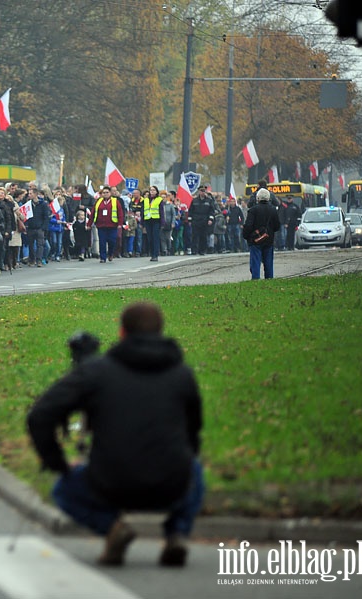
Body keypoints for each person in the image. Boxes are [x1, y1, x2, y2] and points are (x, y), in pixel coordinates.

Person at [27, 302, 204, 567]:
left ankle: (112, 527)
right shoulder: (182, 374)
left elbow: (40, 414)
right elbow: (193, 431)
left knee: (63, 489)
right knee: (195, 470)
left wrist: (56, 462)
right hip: (172, 484)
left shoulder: (97, 372)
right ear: (161, 331)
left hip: (110, 483)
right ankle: (177, 532)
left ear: (122, 333)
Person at [242, 188, 280, 280]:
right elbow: (277, 226)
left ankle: (255, 279)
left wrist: (246, 236)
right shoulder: (273, 210)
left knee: (255, 261)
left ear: (257, 198)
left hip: (255, 240)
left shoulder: (253, 210)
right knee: (268, 262)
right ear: (268, 198)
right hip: (269, 239)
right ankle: (269, 278)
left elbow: (248, 225)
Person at [91, 186, 121, 263]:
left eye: (107, 192)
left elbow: (120, 213)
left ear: (110, 193)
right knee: (102, 242)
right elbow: (93, 213)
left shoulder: (115, 201)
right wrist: (89, 224)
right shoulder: (98, 201)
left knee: (112, 241)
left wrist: (120, 223)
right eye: (103, 193)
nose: (105, 194)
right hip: (101, 225)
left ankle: (110, 253)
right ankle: (103, 257)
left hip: (112, 225)